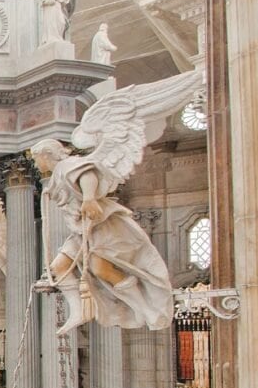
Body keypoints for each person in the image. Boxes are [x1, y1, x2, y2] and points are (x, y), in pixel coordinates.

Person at [30, 138, 172, 333]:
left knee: (100, 269)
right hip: (82, 232)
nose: (36, 163)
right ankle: (79, 311)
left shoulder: (67, 165)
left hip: (101, 226)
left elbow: (87, 173)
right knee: (57, 268)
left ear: (46, 155)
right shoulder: (59, 174)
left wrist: (89, 198)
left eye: (36, 158)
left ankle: (144, 307)